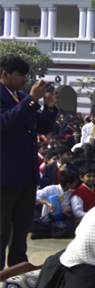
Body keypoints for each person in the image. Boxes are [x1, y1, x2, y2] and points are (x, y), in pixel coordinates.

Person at [0, 54, 59, 268]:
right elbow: (6, 122)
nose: (25, 79)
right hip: (5, 175)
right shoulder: (20, 99)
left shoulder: (22, 97)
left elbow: (40, 127)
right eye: (20, 75)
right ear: (5, 74)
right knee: (1, 229)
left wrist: (49, 108)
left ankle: (18, 269)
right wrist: (32, 100)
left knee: (22, 227)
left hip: (27, 174)